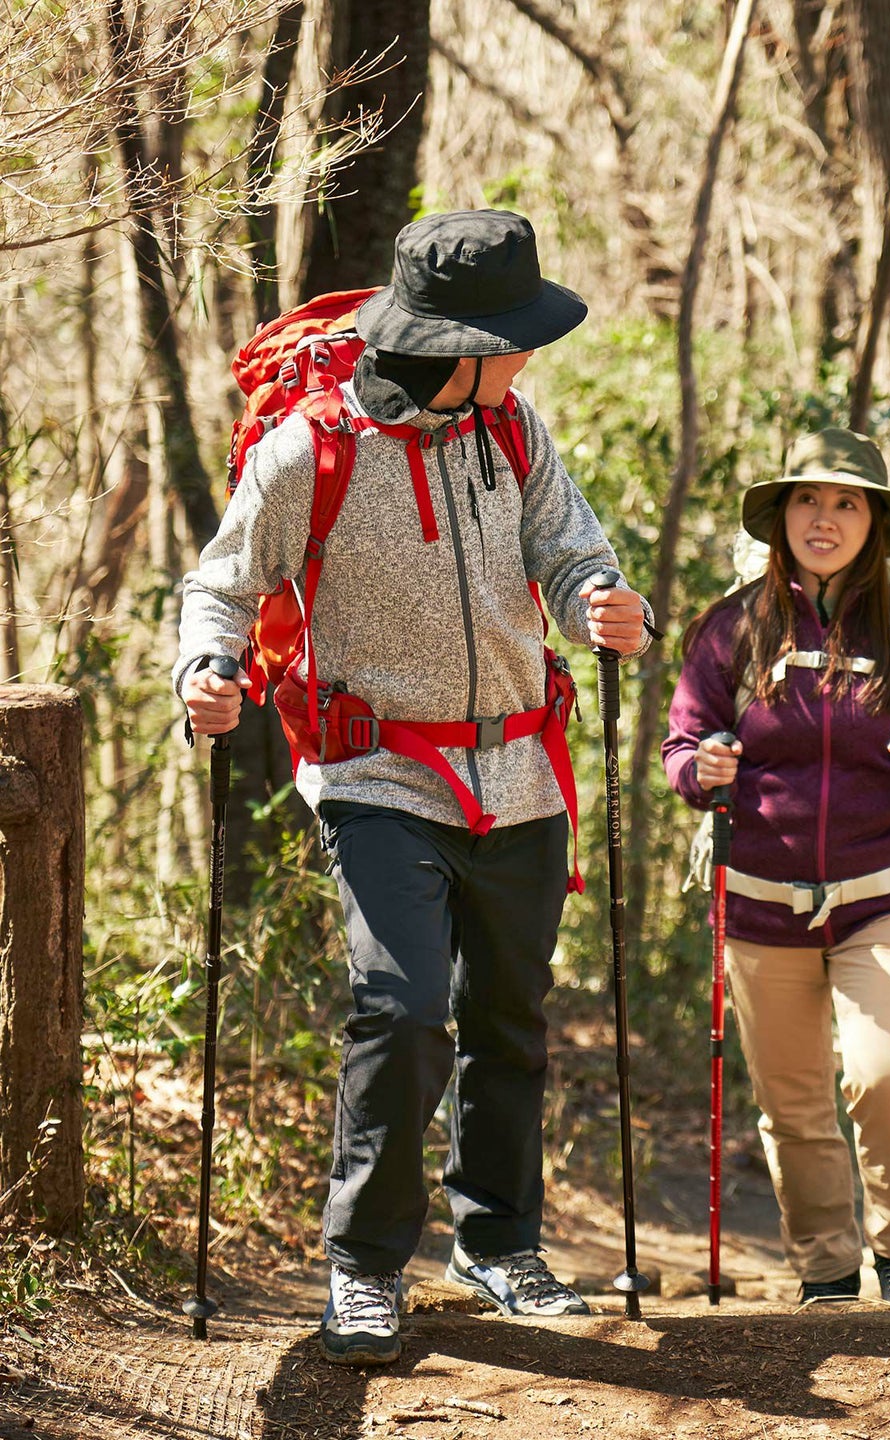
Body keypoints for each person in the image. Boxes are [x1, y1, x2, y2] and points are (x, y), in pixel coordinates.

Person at [175, 209, 654, 1364]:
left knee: (511, 1020)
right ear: (459, 347)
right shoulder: (312, 452)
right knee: (401, 1010)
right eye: (516, 336)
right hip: (378, 771)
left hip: (522, 774)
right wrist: (207, 669)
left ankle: (498, 1245)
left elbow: (573, 550)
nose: (529, 354)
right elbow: (223, 586)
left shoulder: (514, 428)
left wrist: (606, 602)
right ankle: (364, 1271)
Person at [662, 428, 890, 1305]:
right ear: (781, 516)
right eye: (808, 500)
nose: (824, 519)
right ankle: (828, 1275)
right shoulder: (730, 627)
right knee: (794, 1104)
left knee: (881, 1072)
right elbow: (681, 748)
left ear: (876, 523)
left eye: (846, 503)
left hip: (884, 896)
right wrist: (701, 769)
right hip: (760, 902)